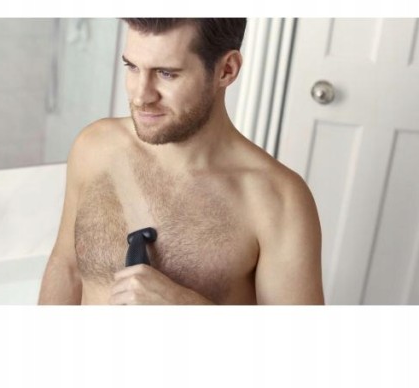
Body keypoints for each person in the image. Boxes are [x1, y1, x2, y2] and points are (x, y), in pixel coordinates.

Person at [38, 18, 324, 305]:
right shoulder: (95, 147)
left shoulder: (277, 199)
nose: (140, 97)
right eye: (132, 67)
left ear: (226, 70)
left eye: (166, 73)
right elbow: (67, 268)